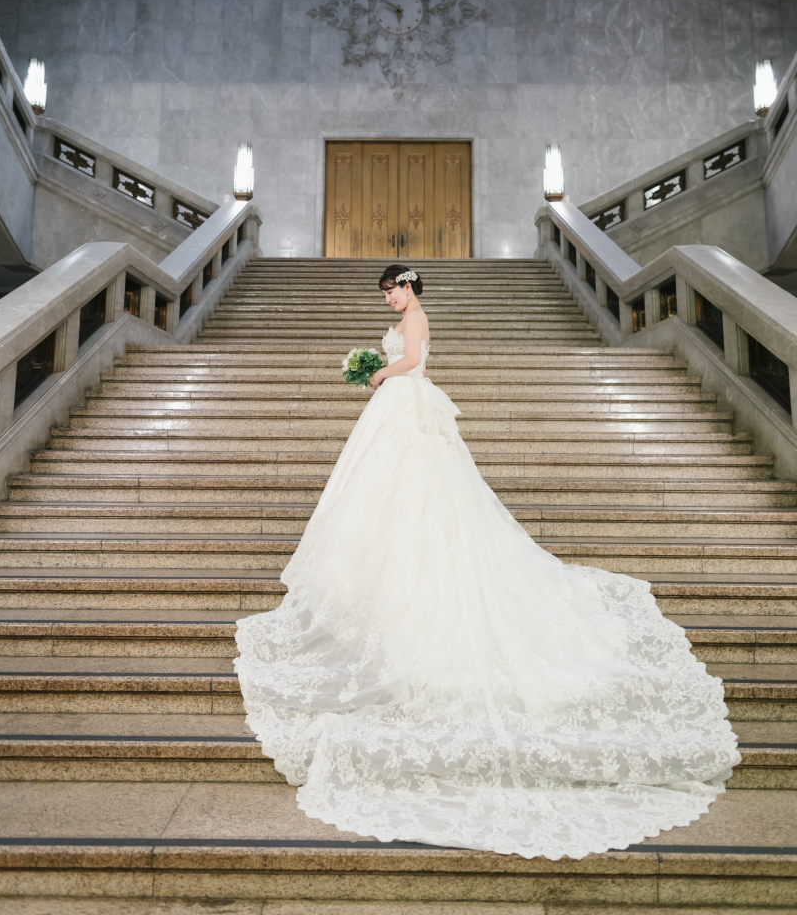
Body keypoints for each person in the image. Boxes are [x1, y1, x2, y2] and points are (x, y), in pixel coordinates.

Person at [234, 264, 739, 860]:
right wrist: (374, 372)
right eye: (386, 293)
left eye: (394, 289)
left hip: (407, 407)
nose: (392, 299)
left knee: (423, 496)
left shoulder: (418, 319)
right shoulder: (402, 319)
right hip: (395, 413)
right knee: (383, 501)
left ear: (411, 288)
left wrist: (376, 373)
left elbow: (414, 365)